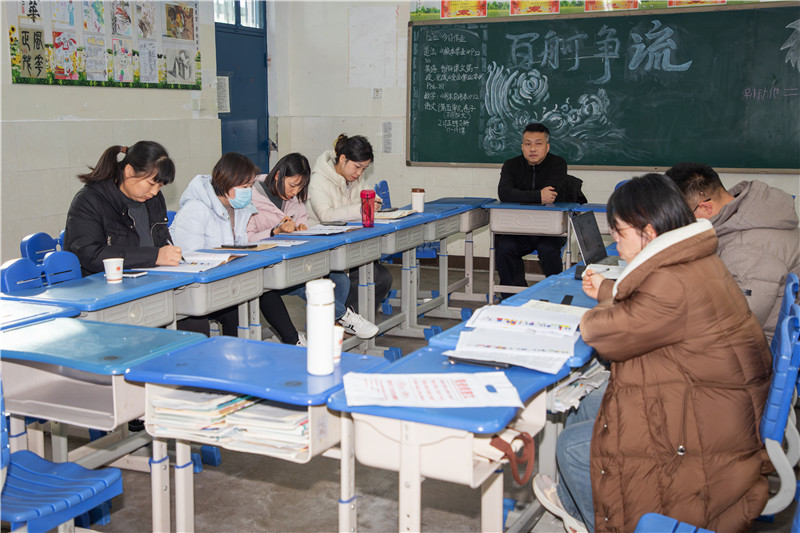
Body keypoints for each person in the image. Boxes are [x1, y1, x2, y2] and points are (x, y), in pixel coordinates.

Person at [533, 174, 772, 533]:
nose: (615, 243)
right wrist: (610, 291)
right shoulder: (691, 261)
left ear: (649, 232)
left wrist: (605, 301)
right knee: (589, 400)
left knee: (570, 447)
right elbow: (643, 308)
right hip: (710, 406)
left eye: (619, 233)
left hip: (704, 440)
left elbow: (602, 331)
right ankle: (577, 507)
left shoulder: (671, 280)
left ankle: (599, 523)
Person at [170, 152, 301, 344]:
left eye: (250, 186)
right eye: (244, 187)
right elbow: (189, 259)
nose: (249, 191)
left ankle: (291, 341)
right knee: (229, 312)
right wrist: (225, 258)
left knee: (261, 288)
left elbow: (239, 245)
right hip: (194, 289)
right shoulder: (195, 210)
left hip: (223, 281)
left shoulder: (240, 209)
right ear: (225, 183)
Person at [247, 153, 378, 339]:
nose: (295, 192)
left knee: (340, 279)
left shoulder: (295, 198)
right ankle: (343, 316)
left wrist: (301, 229)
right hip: (265, 266)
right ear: (278, 176)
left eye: (300, 187)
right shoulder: (252, 196)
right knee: (307, 285)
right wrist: (274, 232)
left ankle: (327, 330)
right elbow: (246, 239)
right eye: (293, 185)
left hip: (291, 260)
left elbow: (303, 225)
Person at [665, 162, 800, 341]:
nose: (680, 226)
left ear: (705, 208)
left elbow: (736, 325)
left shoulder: (747, 249)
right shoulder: (745, 214)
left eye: (681, 219)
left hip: (760, 346)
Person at [64, 141, 182, 276]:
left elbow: (162, 242)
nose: (155, 192)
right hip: (101, 282)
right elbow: (90, 254)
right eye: (151, 184)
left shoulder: (154, 199)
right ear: (129, 171)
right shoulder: (89, 200)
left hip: (148, 279)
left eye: (160, 186)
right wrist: (154, 256)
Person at [307, 134, 393, 314]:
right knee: (346, 281)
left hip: (349, 248)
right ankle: (342, 319)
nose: (360, 173)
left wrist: (375, 203)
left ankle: (353, 317)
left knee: (383, 277)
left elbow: (370, 196)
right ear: (343, 159)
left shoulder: (355, 179)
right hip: (323, 250)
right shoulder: (319, 179)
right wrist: (361, 209)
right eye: (357, 167)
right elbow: (326, 216)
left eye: (364, 169)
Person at [496, 123, 570, 295]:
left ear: (547, 147)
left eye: (538, 143)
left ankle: (556, 294)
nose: (533, 149)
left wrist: (520, 195)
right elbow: (504, 194)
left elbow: (550, 195)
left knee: (547, 249)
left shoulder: (558, 164)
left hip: (550, 231)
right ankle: (513, 296)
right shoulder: (511, 165)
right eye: (528, 144)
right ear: (522, 146)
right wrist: (538, 196)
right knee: (504, 246)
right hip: (519, 229)